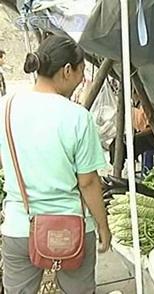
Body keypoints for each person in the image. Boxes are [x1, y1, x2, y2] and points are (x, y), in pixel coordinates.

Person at [0, 35, 111, 293]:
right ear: (67, 70)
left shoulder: (5, 108)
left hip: (20, 225)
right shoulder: (77, 117)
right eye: (81, 72)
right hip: (73, 228)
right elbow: (88, 182)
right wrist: (103, 226)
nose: (82, 80)